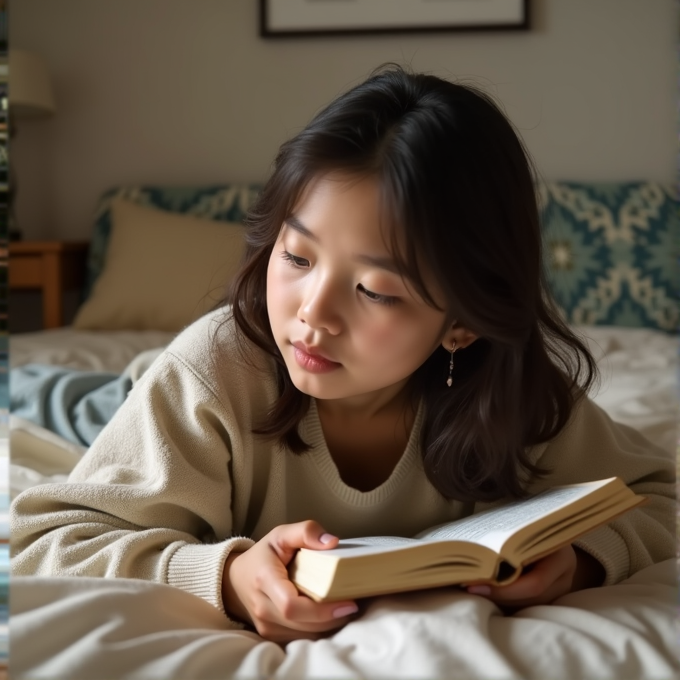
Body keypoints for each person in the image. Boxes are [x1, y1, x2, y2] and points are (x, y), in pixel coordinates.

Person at [11, 66, 675, 644]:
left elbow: (654, 496)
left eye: (376, 290)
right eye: (296, 256)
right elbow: (49, 540)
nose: (311, 315)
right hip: (157, 399)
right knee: (57, 399)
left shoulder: (516, 397)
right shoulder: (215, 368)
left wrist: (586, 559)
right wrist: (226, 575)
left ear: (464, 324)